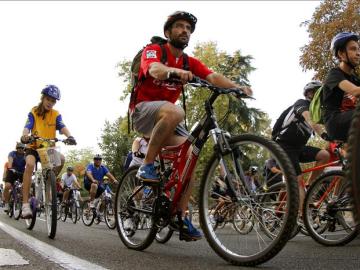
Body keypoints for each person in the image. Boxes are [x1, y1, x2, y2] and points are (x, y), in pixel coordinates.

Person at [130, 11, 252, 241]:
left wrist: (237, 87)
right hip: (144, 111)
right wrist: (173, 71)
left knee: (190, 157)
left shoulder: (189, 61)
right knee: (176, 110)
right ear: (168, 32)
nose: (185, 30)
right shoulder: (156, 50)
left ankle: (180, 216)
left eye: (188, 28)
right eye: (179, 26)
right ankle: (147, 165)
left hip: (167, 118)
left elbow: (212, 76)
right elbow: (154, 68)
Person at [272, 81, 331, 214]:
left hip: (298, 147)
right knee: (297, 181)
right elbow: (310, 120)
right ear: (309, 93)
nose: (320, 96)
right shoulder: (301, 103)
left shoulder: (318, 112)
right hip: (283, 145)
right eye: (317, 92)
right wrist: (324, 135)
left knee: (325, 155)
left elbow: (328, 124)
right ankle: (304, 216)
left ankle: (309, 187)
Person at [20, 85, 77, 218]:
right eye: (48, 99)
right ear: (43, 98)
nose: (50, 103)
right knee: (29, 164)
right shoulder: (34, 111)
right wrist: (25, 136)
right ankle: (25, 204)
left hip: (47, 148)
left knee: (61, 159)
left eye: (53, 101)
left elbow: (62, 127)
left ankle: (49, 179)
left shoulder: (56, 114)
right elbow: (27, 127)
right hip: (33, 147)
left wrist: (69, 136)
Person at [323, 32, 360, 142]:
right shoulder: (334, 74)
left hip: (351, 118)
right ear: (341, 54)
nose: (358, 53)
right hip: (335, 123)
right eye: (353, 49)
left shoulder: (354, 78)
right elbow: (355, 91)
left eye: (358, 49)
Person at [3, 142, 26, 213]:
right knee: (7, 186)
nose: (20, 149)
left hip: (22, 172)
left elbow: (28, 164)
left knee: (25, 187)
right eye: (19, 148)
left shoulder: (26, 155)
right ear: (16, 148)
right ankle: (6, 203)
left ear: (24, 149)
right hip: (12, 171)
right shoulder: (12, 153)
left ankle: (23, 204)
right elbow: (10, 161)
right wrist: (10, 167)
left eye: (22, 148)